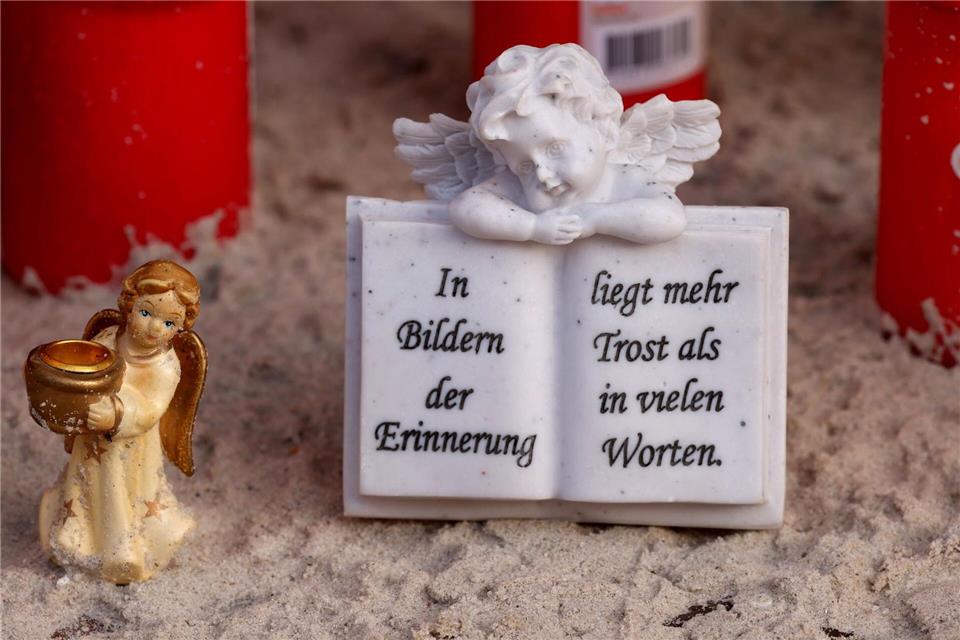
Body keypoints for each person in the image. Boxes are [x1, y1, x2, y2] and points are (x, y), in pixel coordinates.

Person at [39, 260, 206, 583]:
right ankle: (77, 535)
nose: (155, 328)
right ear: (129, 307)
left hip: (130, 445)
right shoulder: (108, 338)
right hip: (92, 438)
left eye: (169, 323)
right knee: (85, 483)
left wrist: (117, 413)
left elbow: (152, 408)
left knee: (120, 493)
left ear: (181, 327)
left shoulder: (167, 367)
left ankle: (121, 550)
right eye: (146, 313)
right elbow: (88, 371)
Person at [449, 43, 687, 245]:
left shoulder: (626, 180)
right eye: (525, 167)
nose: (541, 174)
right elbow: (465, 206)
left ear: (604, 131)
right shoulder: (516, 189)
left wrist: (596, 218)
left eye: (554, 149)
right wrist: (531, 227)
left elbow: (670, 218)